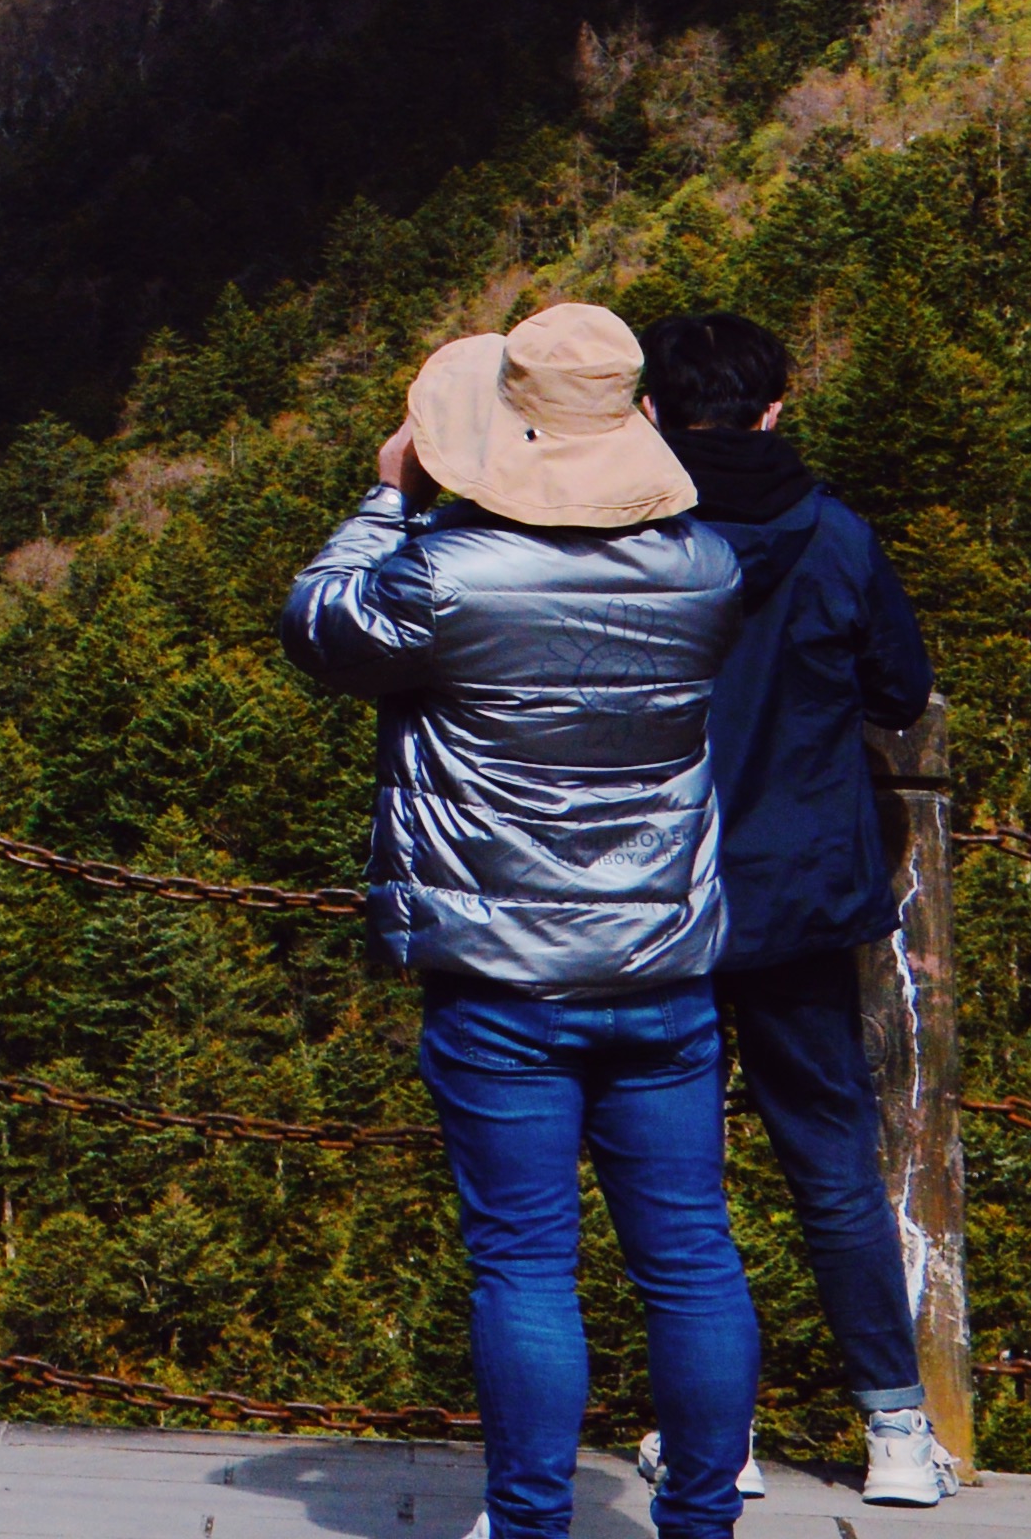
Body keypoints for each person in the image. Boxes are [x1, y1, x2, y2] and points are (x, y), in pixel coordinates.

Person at [279, 302, 755, 1539]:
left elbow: (319, 624)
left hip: (500, 979)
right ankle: (702, 1521)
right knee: (690, 1257)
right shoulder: (707, 569)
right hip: (662, 966)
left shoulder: (444, 578)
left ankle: (531, 1522)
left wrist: (390, 496)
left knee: (526, 1261)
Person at [642, 314, 950, 1511]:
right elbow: (900, 688)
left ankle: (715, 1435)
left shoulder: (632, 532)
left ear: (654, 412)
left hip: (654, 893)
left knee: (680, 1177)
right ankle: (896, 1430)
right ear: (775, 409)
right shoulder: (832, 532)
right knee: (829, 1161)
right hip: (800, 890)